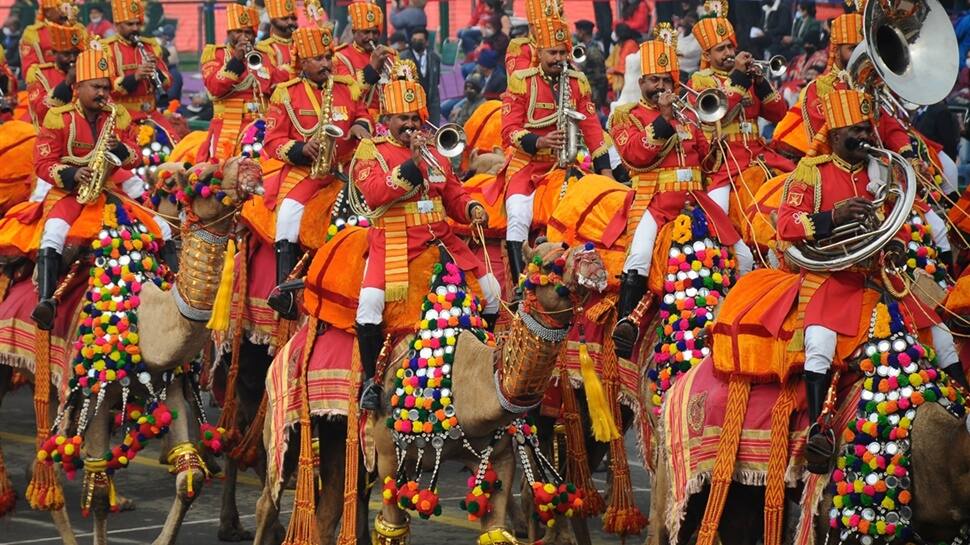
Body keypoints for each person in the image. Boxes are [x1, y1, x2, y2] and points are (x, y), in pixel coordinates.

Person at [775, 88, 969, 475]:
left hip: (879, 276)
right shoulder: (810, 173)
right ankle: (820, 431)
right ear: (832, 135)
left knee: (944, 338)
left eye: (867, 127)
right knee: (819, 345)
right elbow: (786, 225)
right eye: (854, 130)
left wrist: (894, 248)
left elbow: (892, 222)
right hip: (832, 276)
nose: (864, 135)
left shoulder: (881, 170)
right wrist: (833, 216)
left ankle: (961, 419)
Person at [350, 72, 501, 409]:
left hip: (441, 241)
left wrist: (473, 207)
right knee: (370, 305)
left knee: (493, 291)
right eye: (402, 118)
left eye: (415, 117)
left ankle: (485, 361)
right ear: (386, 119)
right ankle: (372, 382)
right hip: (393, 243)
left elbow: (454, 194)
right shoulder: (369, 151)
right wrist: (413, 164)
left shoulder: (437, 151)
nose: (409, 124)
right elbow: (375, 194)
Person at [609, 28, 744, 349]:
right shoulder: (626, 116)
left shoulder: (688, 114)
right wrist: (664, 119)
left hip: (696, 202)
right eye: (654, 80)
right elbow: (635, 154)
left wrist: (715, 146)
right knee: (639, 255)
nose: (661, 87)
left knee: (742, 254)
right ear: (641, 82)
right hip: (654, 202)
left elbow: (706, 163)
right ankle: (626, 325)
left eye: (666, 81)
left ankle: (734, 316)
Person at [30, 43, 171, 330]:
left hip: (107, 189)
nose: (103, 94)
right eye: (95, 87)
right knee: (54, 232)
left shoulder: (116, 116)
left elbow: (135, 155)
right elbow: (42, 162)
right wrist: (72, 174)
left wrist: (120, 150)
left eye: (106, 88)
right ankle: (46, 301)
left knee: (161, 227)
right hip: (69, 192)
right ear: (78, 87)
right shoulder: (59, 117)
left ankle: (173, 290)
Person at [262, 25, 374, 318]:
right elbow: (272, 141)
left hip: (349, 170)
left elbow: (363, 114)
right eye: (317, 58)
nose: (326, 63)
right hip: (310, 173)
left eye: (328, 56)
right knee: (287, 214)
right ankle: (283, 289)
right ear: (302, 62)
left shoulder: (346, 86)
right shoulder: (286, 95)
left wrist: (362, 127)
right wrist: (301, 150)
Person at [492, 15, 612, 284]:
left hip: (561, 166)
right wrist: (540, 142)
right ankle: (523, 287)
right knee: (518, 215)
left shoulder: (577, 82)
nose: (559, 58)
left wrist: (606, 173)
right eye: (552, 53)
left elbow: (592, 128)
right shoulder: (522, 81)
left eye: (563, 52)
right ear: (540, 52)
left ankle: (564, 277)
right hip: (525, 166)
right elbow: (508, 130)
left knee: (573, 212)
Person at [688, 0, 792, 274]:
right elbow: (720, 114)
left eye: (730, 47)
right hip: (725, 162)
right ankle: (716, 266)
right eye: (720, 49)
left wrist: (761, 82)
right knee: (716, 213)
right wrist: (740, 79)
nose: (728, 53)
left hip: (758, 155)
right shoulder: (701, 80)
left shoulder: (747, 76)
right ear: (707, 54)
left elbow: (779, 113)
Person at [196, 4, 273, 162]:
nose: (244, 37)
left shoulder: (266, 55)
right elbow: (214, 87)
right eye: (238, 32)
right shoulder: (214, 54)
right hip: (228, 125)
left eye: (248, 32)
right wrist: (236, 60)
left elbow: (275, 87)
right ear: (229, 33)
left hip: (261, 124)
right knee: (219, 172)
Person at [103, 0, 180, 144]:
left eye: (138, 24)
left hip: (151, 114)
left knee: (175, 146)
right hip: (123, 116)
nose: (135, 28)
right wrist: (137, 76)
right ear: (118, 24)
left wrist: (154, 70)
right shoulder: (107, 49)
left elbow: (168, 82)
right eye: (130, 24)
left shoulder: (150, 46)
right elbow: (108, 87)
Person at [334, 1, 397, 114]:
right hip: (361, 123)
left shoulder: (391, 56)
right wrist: (372, 68)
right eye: (366, 32)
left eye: (375, 33)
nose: (371, 37)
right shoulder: (341, 57)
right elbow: (348, 94)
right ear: (354, 32)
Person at [24, 23, 82, 127]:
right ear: (54, 53)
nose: (73, 58)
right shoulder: (38, 74)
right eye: (66, 54)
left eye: (76, 53)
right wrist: (67, 82)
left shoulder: (88, 71)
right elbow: (40, 112)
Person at [19, 0, 87, 77]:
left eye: (69, 6)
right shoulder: (34, 33)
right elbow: (29, 68)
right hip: (49, 80)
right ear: (47, 11)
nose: (65, 11)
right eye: (59, 7)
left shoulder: (79, 29)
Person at [505, 0, 563, 74]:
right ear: (530, 27)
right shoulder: (520, 48)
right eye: (540, 25)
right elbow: (522, 78)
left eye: (551, 24)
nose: (548, 28)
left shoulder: (561, 45)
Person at [400, 27, 440, 123]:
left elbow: (436, 81)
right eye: (414, 40)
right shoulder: (402, 58)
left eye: (420, 40)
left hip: (431, 104)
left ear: (426, 42)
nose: (417, 42)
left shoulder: (435, 58)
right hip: (411, 104)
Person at [256, 0, 299, 84]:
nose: (290, 22)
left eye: (293, 18)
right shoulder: (263, 49)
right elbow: (265, 84)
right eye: (284, 18)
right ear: (272, 21)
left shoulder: (303, 45)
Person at [575, 19, 609, 110]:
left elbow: (600, 75)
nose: (576, 33)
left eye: (577, 31)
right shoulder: (587, 47)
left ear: (583, 32)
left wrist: (600, 96)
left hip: (594, 93)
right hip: (590, 90)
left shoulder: (593, 50)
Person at [606, 23, 639, 99]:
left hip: (629, 84)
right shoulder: (622, 45)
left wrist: (613, 70)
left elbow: (623, 68)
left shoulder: (630, 44)